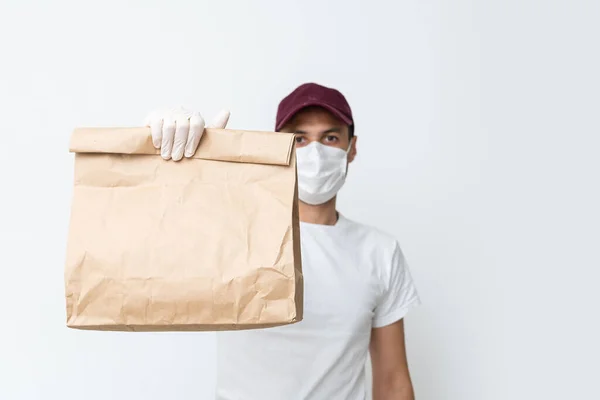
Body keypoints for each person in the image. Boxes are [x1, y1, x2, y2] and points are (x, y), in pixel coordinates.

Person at [145, 82, 421, 400]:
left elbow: (392, 381)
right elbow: (159, 250)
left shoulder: (379, 252)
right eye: (299, 138)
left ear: (352, 147)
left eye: (330, 137)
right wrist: (172, 163)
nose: (315, 151)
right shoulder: (235, 231)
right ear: (278, 147)